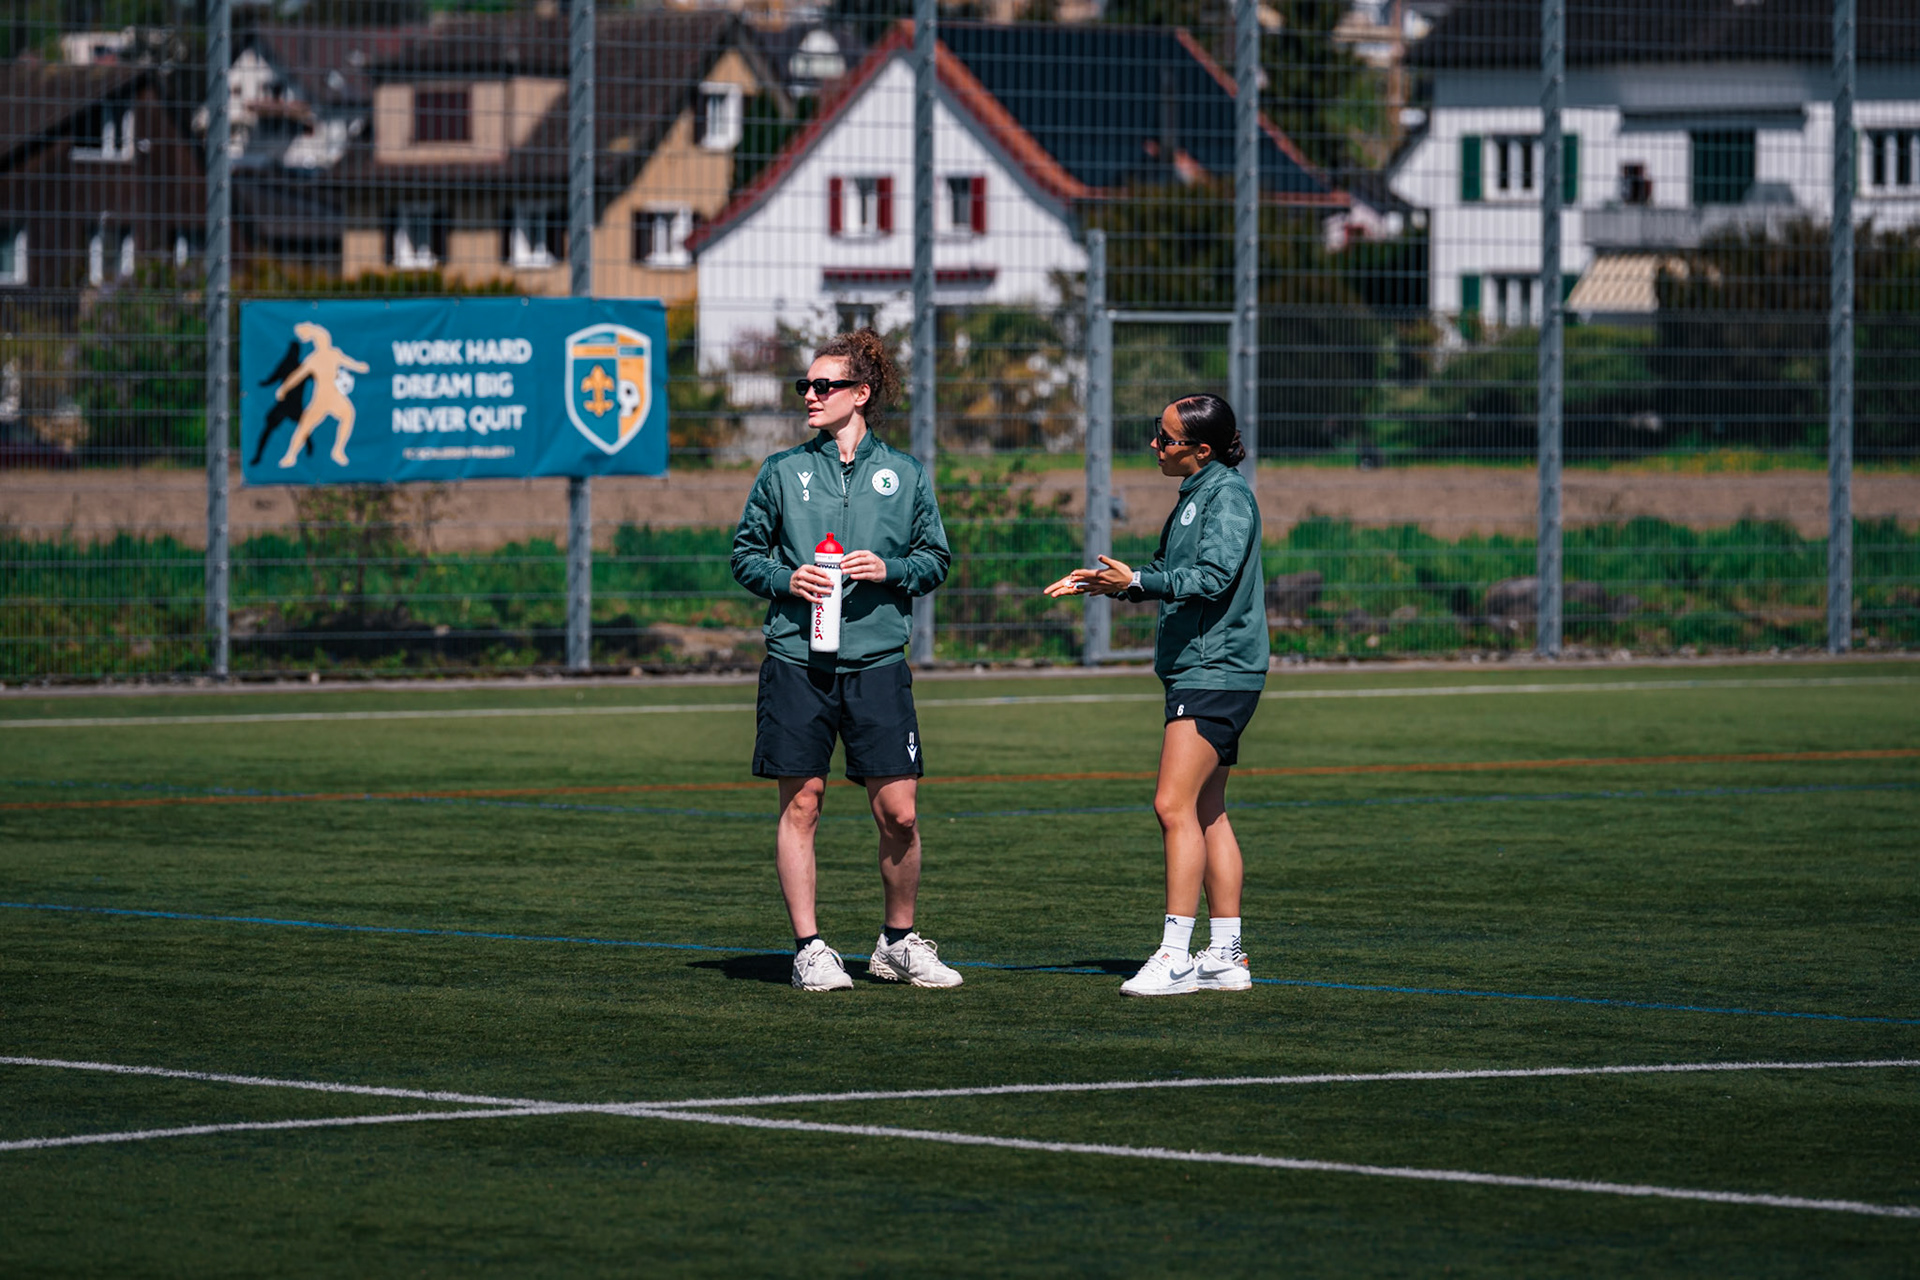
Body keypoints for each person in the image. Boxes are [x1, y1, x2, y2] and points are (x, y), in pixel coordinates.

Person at [730, 329, 963, 993]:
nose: (809, 395)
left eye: (823, 386)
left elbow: (935, 560)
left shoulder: (906, 474)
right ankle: (809, 949)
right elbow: (746, 555)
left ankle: (897, 943)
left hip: (878, 663)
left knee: (901, 813)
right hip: (797, 662)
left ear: (861, 395)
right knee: (802, 802)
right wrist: (785, 580)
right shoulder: (781, 471)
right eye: (804, 385)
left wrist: (890, 568)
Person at [1044, 394, 1268, 997]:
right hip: (1204, 670)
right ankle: (1225, 956)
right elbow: (1171, 572)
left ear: (1200, 449)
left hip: (1214, 671)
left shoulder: (1227, 497)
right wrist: (1113, 585)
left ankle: (1174, 956)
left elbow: (1213, 578)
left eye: (1165, 439)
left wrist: (1140, 581)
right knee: (1204, 810)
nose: (1155, 446)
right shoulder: (1198, 494)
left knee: (1171, 806)